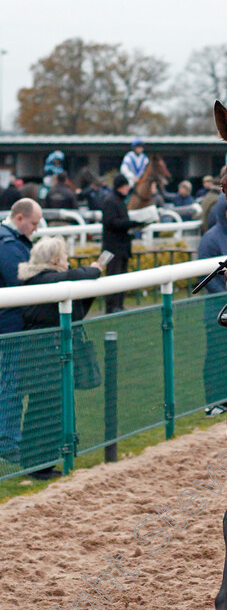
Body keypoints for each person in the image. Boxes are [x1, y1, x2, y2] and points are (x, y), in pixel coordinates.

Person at [17, 236, 102, 479]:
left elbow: (77, 312)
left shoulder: (42, 279)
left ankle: (40, 463)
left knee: (47, 406)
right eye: (64, 257)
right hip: (41, 354)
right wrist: (95, 269)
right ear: (55, 259)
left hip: (42, 352)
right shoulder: (44, 279)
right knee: (44, 408)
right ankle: (38, 467)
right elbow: (77, 276)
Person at [0, 198, 43, 464]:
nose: (36, 230)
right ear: (19, 219)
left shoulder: (10, 240)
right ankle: (7, 442)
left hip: (12, 322)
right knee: (11, 384)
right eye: (34, 224)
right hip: (11, 324)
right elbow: (21, 278)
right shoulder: (8, 244)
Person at [197, 194, 227, 415]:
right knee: (216, 358)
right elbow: (206, 280)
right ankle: (214, 403)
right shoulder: (210, 239)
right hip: (217, 312)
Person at [101, 174, 145, 313]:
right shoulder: (111, 201)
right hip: (114, 247)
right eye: (126, 186)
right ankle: (112, 306)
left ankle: (118, 305)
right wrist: (131, 223)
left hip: (121, 246)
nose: (128, 189)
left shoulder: (118, 200)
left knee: (121, 276)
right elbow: (111, 222)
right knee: (114, 276)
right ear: (121, 186)